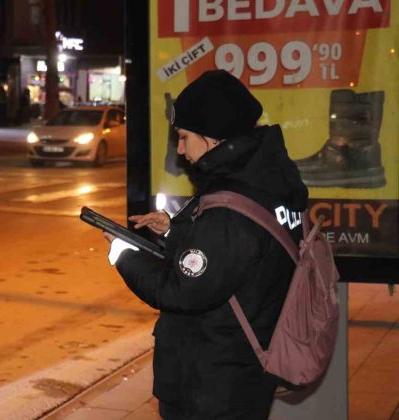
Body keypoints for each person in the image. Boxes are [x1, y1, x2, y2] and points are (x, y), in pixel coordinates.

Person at [104, 70, 308, 419]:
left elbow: (183, 290)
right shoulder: (266, 181)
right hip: (241, 369)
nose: (180, 149)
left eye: (184, 137)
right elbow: (233, 258)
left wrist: (123, 252)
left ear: (212, 138)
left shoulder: (231, 206)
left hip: (214, 384)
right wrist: (173, 231)